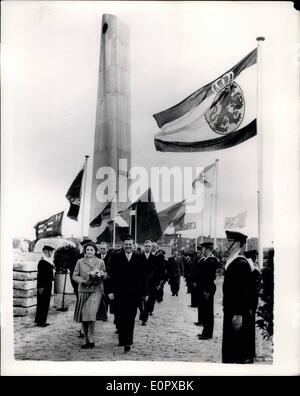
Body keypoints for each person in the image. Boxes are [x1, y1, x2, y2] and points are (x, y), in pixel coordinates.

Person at [108, 234, 148, 352]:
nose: (128, 247)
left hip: (134, 294)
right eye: (126, 245)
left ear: (134, 245)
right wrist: (110, 291)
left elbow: (144, 276)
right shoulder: (115, 256)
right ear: (123, 245)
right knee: (120, 317)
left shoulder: (139, 258)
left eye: (130, 244)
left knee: (131, 317)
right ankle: (122, 339)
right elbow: (110, 275)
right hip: (119, 293)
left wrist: (145, 293)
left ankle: (128, 341)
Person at [222, 231, 256, 363]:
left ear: (236, 244)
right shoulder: (233, 261)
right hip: (230, 309)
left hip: (236, 311)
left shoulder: (240, 263)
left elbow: (243, 292)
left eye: (229, 240)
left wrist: (239, 314)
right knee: (230, 347)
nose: (226, 243)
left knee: (235, 351)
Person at [72, 241, 106, 349]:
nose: (90, 252)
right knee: (84, 315)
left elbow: (104, 274)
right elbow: (74, 276)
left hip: (96, 291)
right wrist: (82, 281)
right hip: (83, 290)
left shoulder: (100, 262)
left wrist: (100, 277)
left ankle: (92, 338)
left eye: (92, 250)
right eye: (87, 250)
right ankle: (87, 340)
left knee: (90, 313)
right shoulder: (80, 261)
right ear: (85, 252)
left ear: (95, 251)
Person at [196, 242, 218, 340]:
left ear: (208, 249)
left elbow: (210, 277)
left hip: (208, 288)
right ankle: (205, 331)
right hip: (205, 288)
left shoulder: (212, 260)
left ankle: (208, 333)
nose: (202, 251)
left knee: (209, 311)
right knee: (205, 311)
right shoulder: (207, 260)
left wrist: (207, 290)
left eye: (203, 249)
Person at [34, 245, 55, 327]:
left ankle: (41, 320)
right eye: (51, 251)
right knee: (43, 303)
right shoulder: (42, 262)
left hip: (48, 284)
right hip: (44, 285)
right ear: (46, 251)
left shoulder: (48, 261)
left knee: (45, 303)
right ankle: (41, 321)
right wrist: (40, 286)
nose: (52, 253)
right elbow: (40, 275)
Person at [192, 246, 205, 325]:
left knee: (202, 304)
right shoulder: (199, 260)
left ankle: (201, 321)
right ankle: (200, 320)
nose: (197, 254)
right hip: (198, 284)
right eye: (197, 253)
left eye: (199, 253)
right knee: (200, 304)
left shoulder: (203, 260)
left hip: (201, 284)